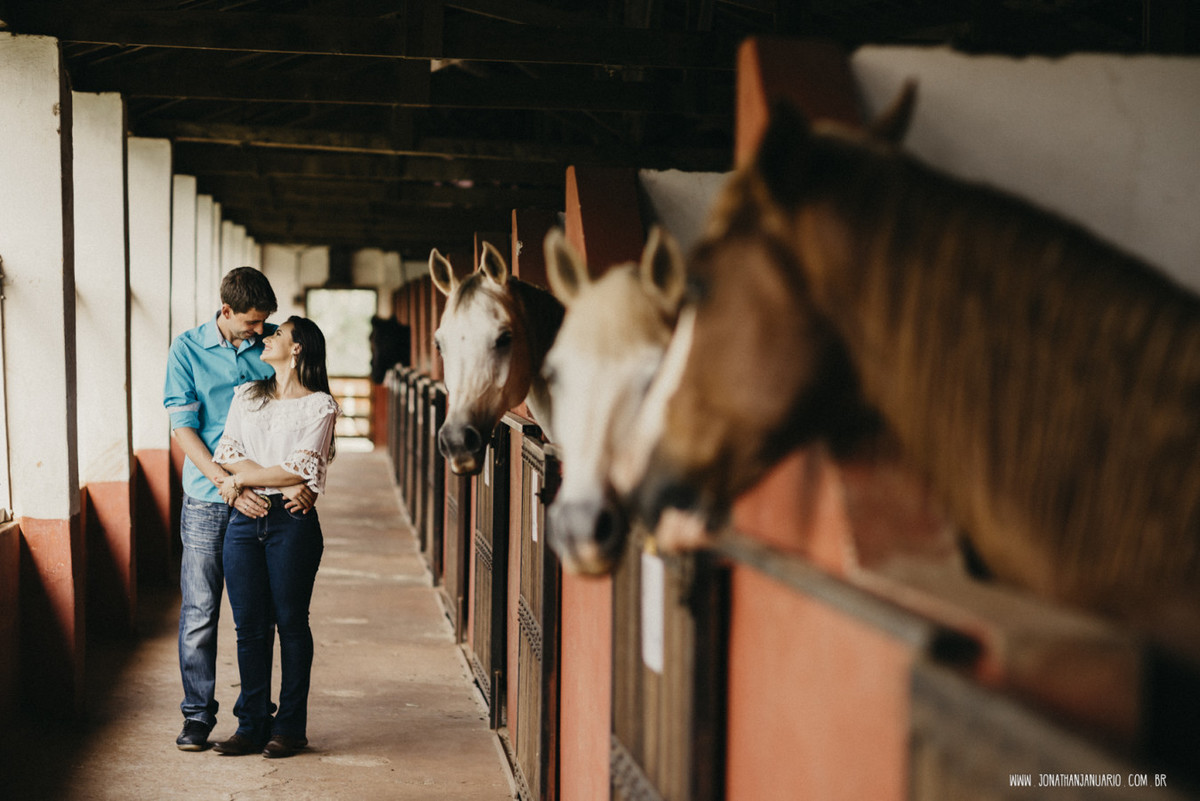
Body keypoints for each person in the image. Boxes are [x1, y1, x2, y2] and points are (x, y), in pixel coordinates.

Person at [164, 267, 316, 752]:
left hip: (267, 500)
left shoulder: (272, 346)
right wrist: (226, 484)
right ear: (226, 311)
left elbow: (306, 415)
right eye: (252, 322)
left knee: (263, 616)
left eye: (265, 322)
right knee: (201, 610)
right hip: (209, 497)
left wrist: (306, 481)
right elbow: (183, 427)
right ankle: (197, 716)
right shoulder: (187, 350)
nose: (260, 330)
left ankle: (259, 718)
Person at [210, 316, 339, 759]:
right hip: (246, 519)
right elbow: (228, 453)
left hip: (292, 523)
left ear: (297, 348)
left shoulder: (320, 406)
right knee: (249, 627)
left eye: (278, 334)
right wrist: (277, 481)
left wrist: (245, 480)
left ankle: (289, 728)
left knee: (292, 623)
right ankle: (251, 725)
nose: (267, 337)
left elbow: (303, 467)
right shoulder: (247, 395)